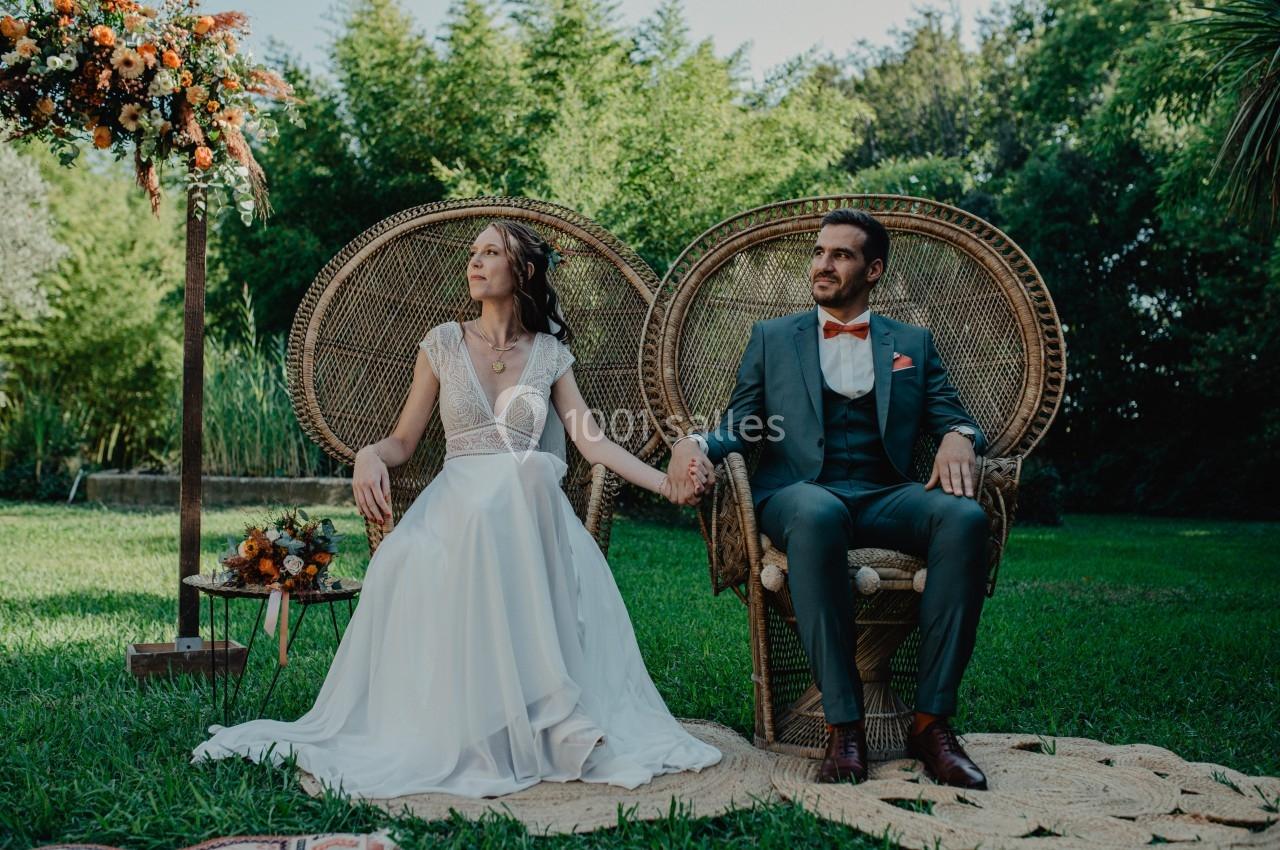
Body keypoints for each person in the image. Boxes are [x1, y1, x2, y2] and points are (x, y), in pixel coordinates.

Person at [192, 220, 721, 799]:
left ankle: (546, 716)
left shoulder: (549, 355)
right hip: (457, 512)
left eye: (490, 252)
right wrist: (370, 455)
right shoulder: (443, 342)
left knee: (529, 478)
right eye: (473, 252)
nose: (475, 262)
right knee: (509, 492)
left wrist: (666, 483)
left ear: (523, 271)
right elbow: (404, 442)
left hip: (531, 521)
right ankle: (500, 720)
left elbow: (591, 442)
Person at [670, 208, 990, 789]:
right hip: (799, 493)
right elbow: (741, 424)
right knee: (818, 514)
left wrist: (956, 436)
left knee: (964, 518)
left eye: (840, 255)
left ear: (873, 270)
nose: (823, 264)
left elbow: (955, 417)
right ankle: (846, 728)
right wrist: (694, 444)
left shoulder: (912, 342)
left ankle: (931, 724)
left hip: (885, 492)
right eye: (819, 252)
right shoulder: (771, 338)